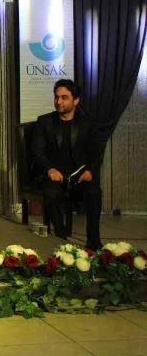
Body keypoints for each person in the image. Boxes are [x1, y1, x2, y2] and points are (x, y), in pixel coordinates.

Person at [33, 79, 103, 250]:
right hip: (54, 176)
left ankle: (93, 240)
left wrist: (90, 171)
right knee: (51, 193)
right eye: (57, 97)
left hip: (78, 177)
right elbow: (38, 151)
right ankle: (61, 238)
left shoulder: (88, 124)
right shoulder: (45, 121)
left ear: (76, 100)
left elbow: (96, 153)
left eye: (64, 97)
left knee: (94, 192)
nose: (59, 102)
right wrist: (50, 169)